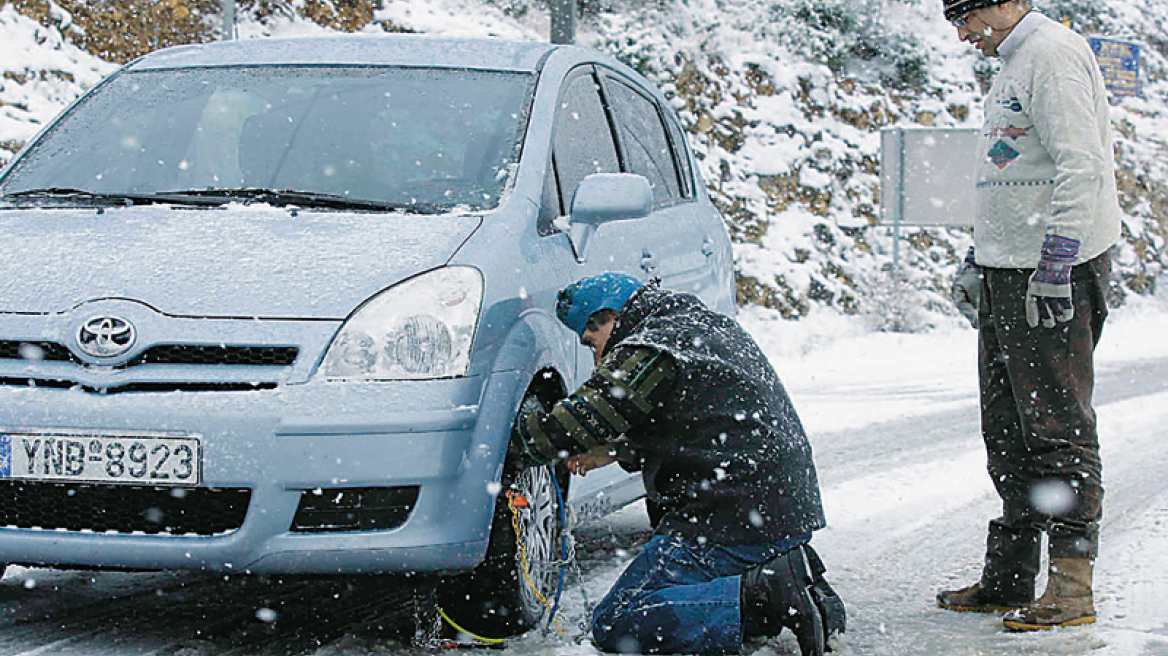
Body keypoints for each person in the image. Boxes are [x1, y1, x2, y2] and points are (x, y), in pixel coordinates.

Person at [514, 273, 844, 655]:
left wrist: (506, 442)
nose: (597, 357)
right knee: (663, 603)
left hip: (726, 516)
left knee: (617, 623)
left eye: (592, 343)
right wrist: (616, 450)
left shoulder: (647, 346)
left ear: (606, 317)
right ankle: (800, 583)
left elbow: (578, 421)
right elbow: (697, 420)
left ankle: (766, 595)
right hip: (778, 509)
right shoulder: (697, 325)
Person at [938, 0, 1121, 632]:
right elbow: (1011, 172)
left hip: (1049, 269)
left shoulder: (1052, 56)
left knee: (1056, 423)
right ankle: (1009, 574)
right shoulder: (1012, 61)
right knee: (1008, 425)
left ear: (1006, 3)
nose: (963, 34)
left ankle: (1071, 584)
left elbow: (1082, 164)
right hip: (1006, 267)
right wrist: (979, 255)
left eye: (966, 18)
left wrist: (1058, 261)